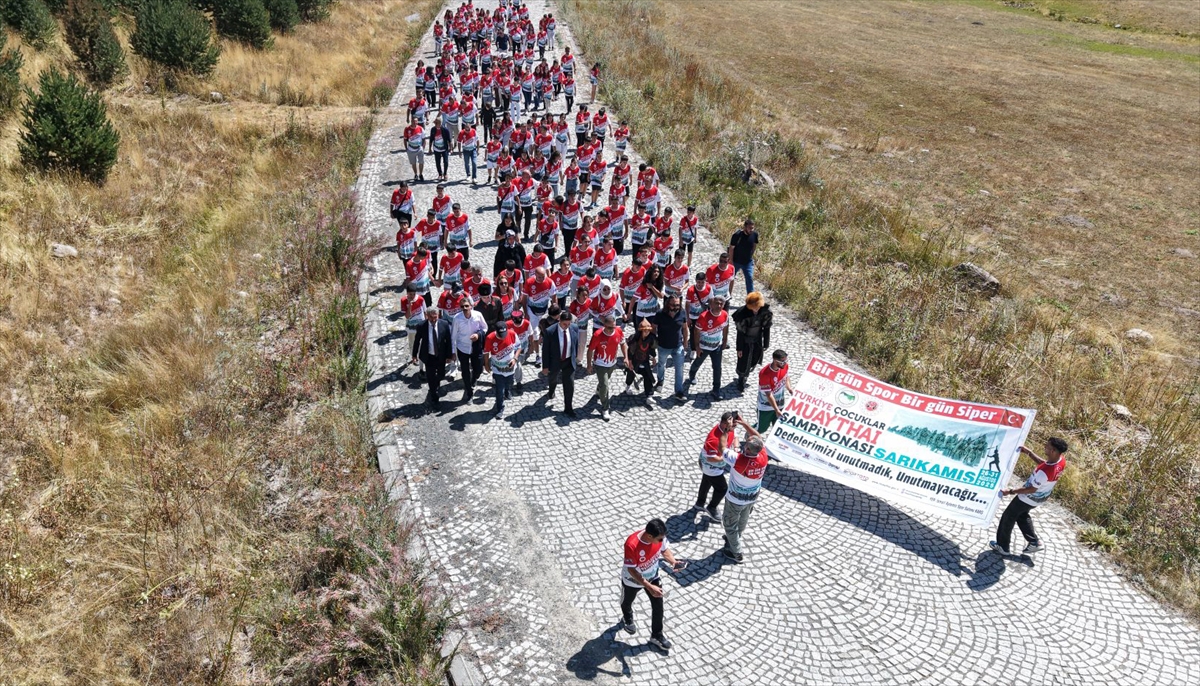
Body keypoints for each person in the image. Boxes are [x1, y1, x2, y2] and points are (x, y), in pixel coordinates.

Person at [991, 438, 1069, 557]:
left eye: (1047, 446)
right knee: (1021, 515)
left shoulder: (1044, 472)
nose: (1044, 447)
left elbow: (1031, 489)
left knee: (1008, 516)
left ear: (1053, 450)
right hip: (1040, 498)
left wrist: (1011, 491)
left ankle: (1003, 546)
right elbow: (1044, 463)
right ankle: (1034, 542)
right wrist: (1029, 453)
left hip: (1027, 498)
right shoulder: (1061, 461)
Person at [620, 518, 683, 653]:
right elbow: (632, 570)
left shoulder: (659, 538)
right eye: (659, 539)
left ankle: (656, 635)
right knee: (627, 602)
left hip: (653, 575)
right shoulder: (632, 544)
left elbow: (664, 550)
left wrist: (673, 562)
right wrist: (649, 586)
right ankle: (627, 616)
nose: (662, 541)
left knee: (658, 606)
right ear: (649, 536)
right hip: (632, 580)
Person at [696, 411, 759, 520]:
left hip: (716, 467)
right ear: (725, 424)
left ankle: (699, 503)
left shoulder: (729, 429)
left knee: (706, 481)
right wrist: (725, 458)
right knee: (722, 488)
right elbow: (710, 457)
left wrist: (736, 448)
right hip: (710, 467)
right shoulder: (714, 439)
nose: (734, 427)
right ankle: (712, 507)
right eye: (732, 425)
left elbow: (735, 437)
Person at [722, 435, 768, 563]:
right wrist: (743, 423)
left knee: (729, 524)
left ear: (747, 449)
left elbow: (721, 449)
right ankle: (734, 538)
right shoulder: (763, 456)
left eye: (745, 444)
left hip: (735, 500)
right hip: (752, 497)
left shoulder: (738, 460)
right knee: (743, 519)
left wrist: (727, 431)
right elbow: (758, 438)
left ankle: (736, 552)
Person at [687, 296, 729, 399]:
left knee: (717, 368)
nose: (719, 306)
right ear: (712, 304)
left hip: (717, 347)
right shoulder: (703, 316)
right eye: (717, 303)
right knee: (698, 362)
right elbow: (696, 332)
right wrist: (697, 347)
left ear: (723, 305)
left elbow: (725, 328)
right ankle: (692, 374)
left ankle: (716, 389)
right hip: (704, 347)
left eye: (721, 304)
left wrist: (724, 342)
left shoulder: (725, 315)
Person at [587, 314, 628, 421]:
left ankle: (598, 390)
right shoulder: (597, 335)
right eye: (609, 327)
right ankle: (605, 408)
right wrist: (589, 365)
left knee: (603, 382)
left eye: (613, 327)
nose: (611, 330)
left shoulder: (618, 332)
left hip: (612, 363)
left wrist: (626, 357)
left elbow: (623, 344)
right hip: (600, 364)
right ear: (604, 325)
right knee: (605, 385)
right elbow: (590, 350)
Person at [411, 308, 453, 410]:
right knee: (430, 377)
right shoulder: (421, 326)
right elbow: (417, 341)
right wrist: (414, 355)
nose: (434, 320)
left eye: (435, 317)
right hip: (428, 356)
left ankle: (436, 383)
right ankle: (434, 396)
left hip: (440, 356)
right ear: (427, 316)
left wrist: (449, 356)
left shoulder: (444, 324)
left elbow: (448, 340)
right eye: (431, 318)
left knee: (441, 374)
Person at [541, 310, 580, 417]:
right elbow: (545, 350)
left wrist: (575, 357)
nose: (566, 326)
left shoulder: (574, 328)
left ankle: (568, 408)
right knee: (553, 378)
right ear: (559, 321)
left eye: (568, 324)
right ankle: (551, 390)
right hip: (555, 361)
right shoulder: (550, 332)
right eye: (564, 324)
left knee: (569, 385)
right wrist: (545, 366)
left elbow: (576, 343)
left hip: (568, 361)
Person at [732, 292, 774, 393]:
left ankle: (746, 373)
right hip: (745, 341)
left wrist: (766, 343)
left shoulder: (765, 312)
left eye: (757, 307)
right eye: (753, 308)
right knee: (743, 361)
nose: (756, 310)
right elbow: (740, 333)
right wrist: (739, 348)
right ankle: (741, 380)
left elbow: (766, 328)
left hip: (757, 339)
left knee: (755, 358)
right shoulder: (742, 314)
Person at [451, 297, 488, 401]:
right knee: (465, 371)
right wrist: (453, 352)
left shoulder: (478, 315)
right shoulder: (457, 318)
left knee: (478, 369)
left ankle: (474, 378)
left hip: (476, 347)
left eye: (467, 306)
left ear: (471, 306)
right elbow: (453, 336)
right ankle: (469, 391)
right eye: (462, 306)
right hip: (462, 348)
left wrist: (478, 335)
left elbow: (485, 328)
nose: (465, 308)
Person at [652, 295, 689, 399]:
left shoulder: (682, 312)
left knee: (679, 369)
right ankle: (660, 381)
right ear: (668, 304)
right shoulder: (660, 314)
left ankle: (679, 391)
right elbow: (653, 327)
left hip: (678, 346)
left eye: (677, 304)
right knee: (661, 365)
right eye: (673, 305)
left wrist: (685, 342)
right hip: (663, 346)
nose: (675, 307)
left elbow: (685, 328)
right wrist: (654, 341)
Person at [482, 319, 520, 418]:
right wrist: (486, 364)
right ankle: (500, 408)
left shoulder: (512, 334)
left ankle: (508, 391)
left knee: (509, 382)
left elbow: (518, 347)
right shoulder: (490, 338)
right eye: (500, 335)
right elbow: (486, 352)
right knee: (499, 390)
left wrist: (515, 358)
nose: (502, 337)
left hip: (510, 368)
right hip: (497, 369)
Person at [756, 350, 792, 432]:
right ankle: (749, 434)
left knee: (778, 428)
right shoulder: (765, 374)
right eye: (783, 361)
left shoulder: (785, 366)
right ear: (775, 360)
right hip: (766, 407)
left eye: (786, 360)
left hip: (780, 404)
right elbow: (769, 394)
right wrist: (776, 410)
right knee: (761, 429)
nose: (785, 363)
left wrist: (789, 389)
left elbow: (786, 377)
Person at [624, 320, 657, 403]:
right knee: (631, 374)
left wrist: (653, 358)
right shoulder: (635, 339)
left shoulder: (651, 339)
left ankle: (649, 395)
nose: (647, 332)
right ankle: (628, 386)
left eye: (648, 330)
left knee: (648, 376)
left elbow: (652, 349)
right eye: (645, 331)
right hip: (635, 361)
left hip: (645, 361)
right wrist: (630, 362)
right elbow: (630, 351)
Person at [728, 217, 759, 295]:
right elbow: (731, 248)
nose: (751, 230)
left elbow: (754, 245)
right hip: (735, 261)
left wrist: (751, 255)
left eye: (752, 228)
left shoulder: (755, 235)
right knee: (729, 279)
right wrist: (731, 261)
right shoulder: (737, 235)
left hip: (748, 262)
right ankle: (727, 295)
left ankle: (750, 300)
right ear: (745, 227)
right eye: (749, 228)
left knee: (750, 279)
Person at [428, 116, 452, 182]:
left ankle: (445, 174)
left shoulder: (445, 130)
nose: (435, 125)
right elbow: (431, 139)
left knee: (446, 162)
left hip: (444, 149)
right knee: (437, 162)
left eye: (436, 123)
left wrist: (451, 148)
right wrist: (430, 148)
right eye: (435, 123)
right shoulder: (433, 129)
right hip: (436, 149)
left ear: (440, 123)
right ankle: (440, 174)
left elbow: (449, 140)